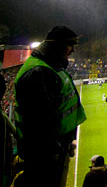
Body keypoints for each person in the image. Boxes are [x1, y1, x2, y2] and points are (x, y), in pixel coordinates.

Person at [13, 26, 86, 187]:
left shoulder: (51, 66)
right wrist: (54, 151)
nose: (73, 50)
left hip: (55, 149)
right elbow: (39, 122)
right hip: (45, 157)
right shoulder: (39, 72)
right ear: (56, 45)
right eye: (70, 45)